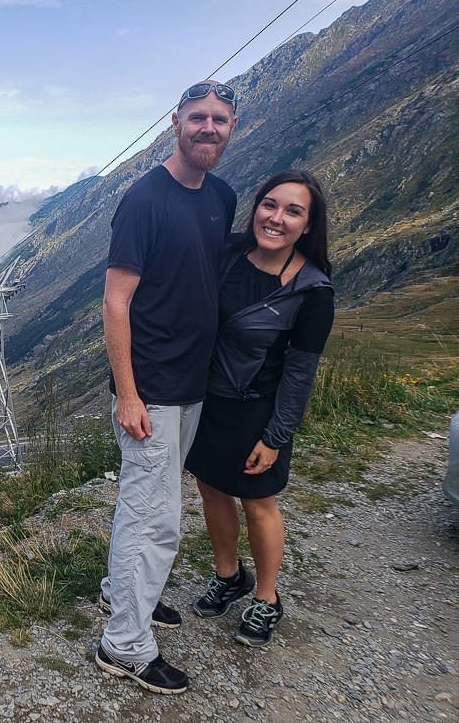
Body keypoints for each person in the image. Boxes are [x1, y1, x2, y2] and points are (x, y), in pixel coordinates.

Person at [95, 81, 239, 695]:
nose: (209, 128)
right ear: (174, 122)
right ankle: (124, 645)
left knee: (149, 507)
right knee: (155, 520)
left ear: (232, 128)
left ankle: (120, 595)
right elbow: (116, 300)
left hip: (193, 385)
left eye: (221, 120)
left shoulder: (223, 196)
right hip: (151, 389)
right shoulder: (144, 200)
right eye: (198, 117)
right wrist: (128, 394)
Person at [185, 168, 334, 648]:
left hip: (257, 411)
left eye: (294, 211)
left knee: (259, 503)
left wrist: (275, 437)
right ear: (257, 208)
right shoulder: (228, 253)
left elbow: (299, 372)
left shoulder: (312, 292)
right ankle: (229, 576)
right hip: (208, 402)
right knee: (211, 490)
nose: (276, 218)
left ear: (308, 226)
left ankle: (266, 598)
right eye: (270, 205)